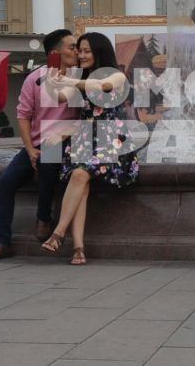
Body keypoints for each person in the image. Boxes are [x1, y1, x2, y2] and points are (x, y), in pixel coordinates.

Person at [0, 28, 78, 261]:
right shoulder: (34, 79)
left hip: (66, 142)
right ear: (56, 52)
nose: (76, 51)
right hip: (37, 143)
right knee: (5, 182)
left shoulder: (79, 78)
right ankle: (2, 242)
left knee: (47, 160)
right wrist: (29, 148)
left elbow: (83, 118)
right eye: (71, 47)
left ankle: (43, 218)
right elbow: (23, 115)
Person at [44, 31, 138, 265]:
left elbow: (102, 86)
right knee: (80, 182)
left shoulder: (117, 76)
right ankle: (78, 248)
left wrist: (70, 80)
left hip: (111, 142)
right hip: (86, 139)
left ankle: (58, 233)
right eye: (80, 51)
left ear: (100, 52)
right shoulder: (80, 79)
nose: (81, 55)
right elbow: (60, 98)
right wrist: (51, 81)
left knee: (80, 174)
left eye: (86, 51)